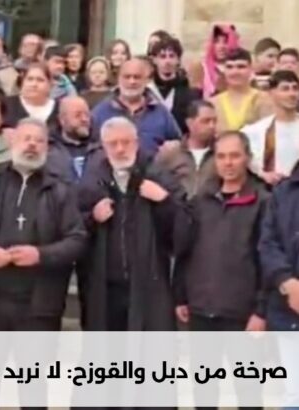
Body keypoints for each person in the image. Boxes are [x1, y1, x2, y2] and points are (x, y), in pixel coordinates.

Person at [0, 117, 87, 332]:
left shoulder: (60, 191)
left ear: (47, 148)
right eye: (26, 139)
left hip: (40, 305)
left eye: (39, 141)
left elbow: (77, 239)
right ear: (13, 142)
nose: (32, 145)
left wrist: (40, 255)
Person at [174, 131, 267, 410]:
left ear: (247, 158)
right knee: (204, 392)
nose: (228, 163)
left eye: (235, 156)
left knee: (248, 393)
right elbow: (186, 250)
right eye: (222, 156)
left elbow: (267, 260)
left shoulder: (263, 202)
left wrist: (261, 311)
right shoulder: (200, 201)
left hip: (243, 313)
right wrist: (181, 295)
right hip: (202, 309)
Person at [80, 116, 188, 331]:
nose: (120, 149)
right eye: (113, 144)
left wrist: (164, 201)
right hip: (105, 287)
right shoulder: (92, 179)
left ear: (137, 143)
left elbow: (185, 226)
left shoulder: (157, 174)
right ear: (103, 147)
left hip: (149, 285)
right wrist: (92, 217)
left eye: (126, 142)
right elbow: (73, 227)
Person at [258, 155, 299, 409]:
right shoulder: (284, 193)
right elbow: (268, 243)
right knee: (294, 395)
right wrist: (288, 283)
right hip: (289, 310)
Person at [91, 58, 182, 155]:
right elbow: (89, 146)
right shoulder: (100, 111)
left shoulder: (160, 112)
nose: (132, 82)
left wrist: (174, 146)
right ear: (118, 79)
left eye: (137, 77)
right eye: (127, 77)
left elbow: (179, 141)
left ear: (146, 80)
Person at [242, 70, 299, 186]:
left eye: (295, 88)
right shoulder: (255, 131)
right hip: (270, 190)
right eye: (285, 89)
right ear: (271, 93)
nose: (292, 94)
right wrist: (263, 174)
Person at [156, 100, 218, 198]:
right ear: (190, 123)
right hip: (177, 205)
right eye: (206, 121)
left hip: (210, 206)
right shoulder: (171, 153)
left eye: (214, 121)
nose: (212, 126)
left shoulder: (221, 153)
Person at [211, 48, 273, 133]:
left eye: (241, 67)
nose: (235, 72)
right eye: (229, 67)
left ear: (251, 69)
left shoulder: (265, 100)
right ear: (224, 70)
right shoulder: (213, 103)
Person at [149, 37, 201, 134]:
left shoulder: (191, 94)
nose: (167, 61)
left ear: (178, 60)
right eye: (162, 56)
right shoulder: (147, 92)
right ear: (154, 60)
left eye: (171, 56)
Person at [48, 96, 99, 184]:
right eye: (77, 115)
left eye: (87, 115)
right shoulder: (49, 150)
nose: (84, 119)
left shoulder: (101, 147)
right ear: (62, 120)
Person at [4, 63, 60, 132]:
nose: (34, 84)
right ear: (22, 82)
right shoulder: (6, 105)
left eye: (40, 80)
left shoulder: (60, 109)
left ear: (50, 84)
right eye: (30, 79)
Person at [188, 24, 240, 98]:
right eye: (216, 41)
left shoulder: (240, 69)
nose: (221, 46)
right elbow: (194, 98)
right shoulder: (200, 67)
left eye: (225, 42)